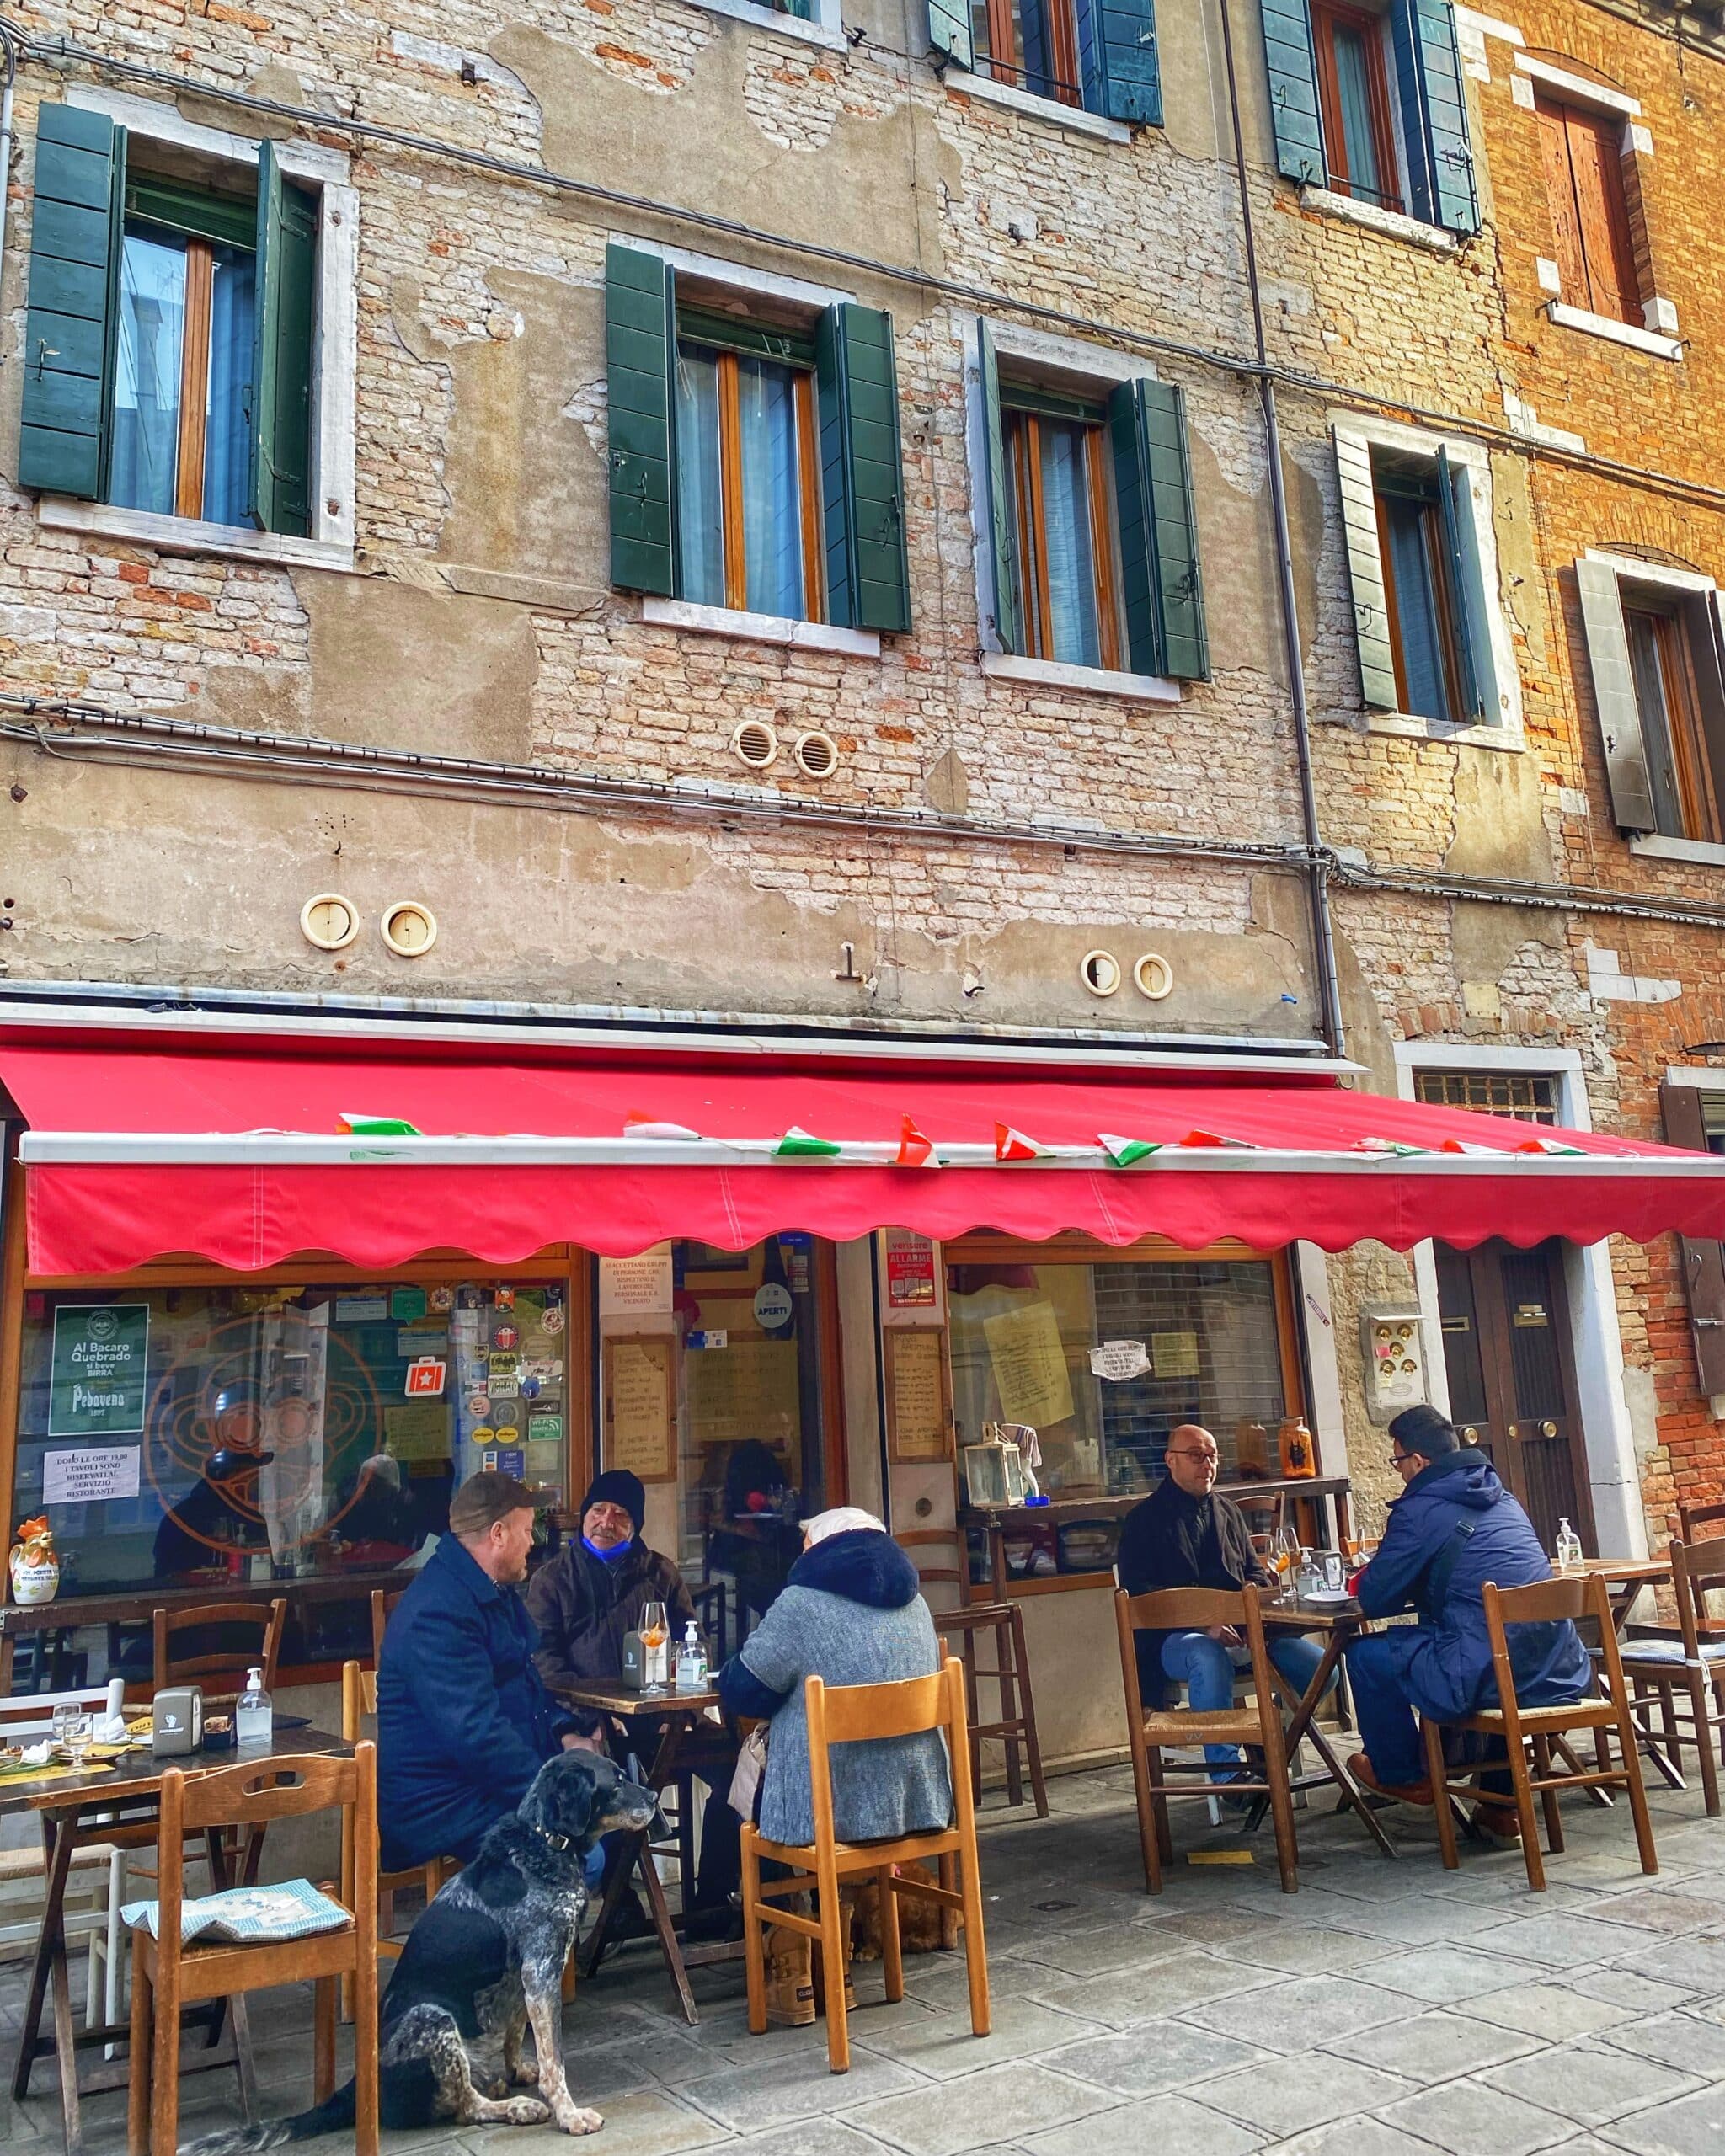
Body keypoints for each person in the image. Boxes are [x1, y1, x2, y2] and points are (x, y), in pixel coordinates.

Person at [717, 1506, 952, 2025]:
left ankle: (796, 1956)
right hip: (916, 1805)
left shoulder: (800, 1605)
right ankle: (829, 1953)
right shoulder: (917, 1605)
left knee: (736, 1800)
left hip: (827, 1817)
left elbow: (741, 1688)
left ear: (819, 1550)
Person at [1344, 1403, 1591, 1845]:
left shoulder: (1420, 1508)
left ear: (1418, 1461)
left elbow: (1375, 1597)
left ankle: (1404, 1775)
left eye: (1397, 1460)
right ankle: (1500, 1806)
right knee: (1482, 1650)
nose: (1398, 1470)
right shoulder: (1503, 1496)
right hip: (1559, 1668)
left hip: (1491, 1670)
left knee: (1365, 1656)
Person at [526, 1468, 737, 1925]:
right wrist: (586, 1717)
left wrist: (684, 1704)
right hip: (591, 1723)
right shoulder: (552, 1579)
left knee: (740, 1774)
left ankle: (714, 1900)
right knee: (603, 1784)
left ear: (635, 1525)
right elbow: (543, 1663)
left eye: (620, 1515)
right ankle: (621, 1911)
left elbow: (690, 1642)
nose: (606, 1521)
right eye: (598, 1510)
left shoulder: (660, 1571)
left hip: (665, 1721)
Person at [377, 1470, 584, 1873]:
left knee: (608, 1816)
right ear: (498, 1534)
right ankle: (516, 1938)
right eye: (526, 1530)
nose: (533, 1541)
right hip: (444, 1804)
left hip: (482, 1787)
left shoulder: (487, 1589)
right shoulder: (439, 1612)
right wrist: (547, 1794)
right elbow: (476, 1734)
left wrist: (565, 1731)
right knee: (581, 1852)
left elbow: (525, 1685)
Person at [1116, 1423, 1334, 1790]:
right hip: (1177, 1640)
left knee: (1323, 1669)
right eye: (1196, 1455)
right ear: (1171, 1460)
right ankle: (1228, 1775)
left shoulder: (1228, 1511)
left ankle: (1272, 1743)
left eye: (1213, 1455)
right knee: (1207, 1656)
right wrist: (1206, 1627)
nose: (1208, 1463)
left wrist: (1252, 1621)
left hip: (1243, 1633)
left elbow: (1254, 1572)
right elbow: (1141, 1595)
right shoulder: (1143, 1521)